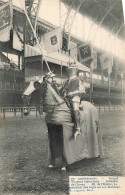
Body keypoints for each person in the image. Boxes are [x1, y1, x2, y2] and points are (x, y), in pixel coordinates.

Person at [60, 58, 86, 140]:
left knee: (75, 108)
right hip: (65, 98)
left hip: (75, 98)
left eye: (72, 69)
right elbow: (60, 89)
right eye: (69, 69)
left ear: (75, 70)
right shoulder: (65, 81)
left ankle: (78, 128)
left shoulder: (78, 80)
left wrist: (73, 93)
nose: (71, 71)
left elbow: (82, 90)